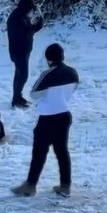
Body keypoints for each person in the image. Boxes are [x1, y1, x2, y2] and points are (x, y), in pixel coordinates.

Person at [12, 43, 77, 197]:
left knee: (39, 152)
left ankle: (30, 185)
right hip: (64, 115)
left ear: (48, 59)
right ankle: (65, 185)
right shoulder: (73, 72)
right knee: (62, 151)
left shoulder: (48, 74)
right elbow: (73, 89)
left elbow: (34, 94)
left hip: (47, 118)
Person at [6, 0, 44, 108]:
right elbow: (25, 33)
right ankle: (16, 98)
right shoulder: (17, 18)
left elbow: (27, 29)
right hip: (19, 51)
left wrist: (35, 26)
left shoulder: (19, 15)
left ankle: (17, 97)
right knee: (23, 75)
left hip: (21, 50)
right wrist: (37, 26)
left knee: (19, 75)